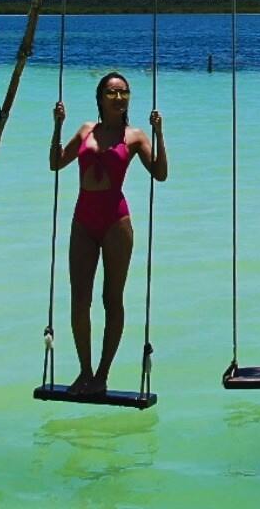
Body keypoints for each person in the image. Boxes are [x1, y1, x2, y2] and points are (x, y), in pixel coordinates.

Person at [50, 72, 168, 395]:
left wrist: (159, 133)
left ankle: (102, 375)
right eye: (112, 93)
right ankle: (84, 372)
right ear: (100, 97)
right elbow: (56, 162)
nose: (119, 98)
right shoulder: (86, 130)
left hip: (116, 223)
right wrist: (58, 125)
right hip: (83, 220)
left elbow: (160, 174)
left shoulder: (135, 136)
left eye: (124, 93)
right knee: (79, 300)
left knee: (111, 299)